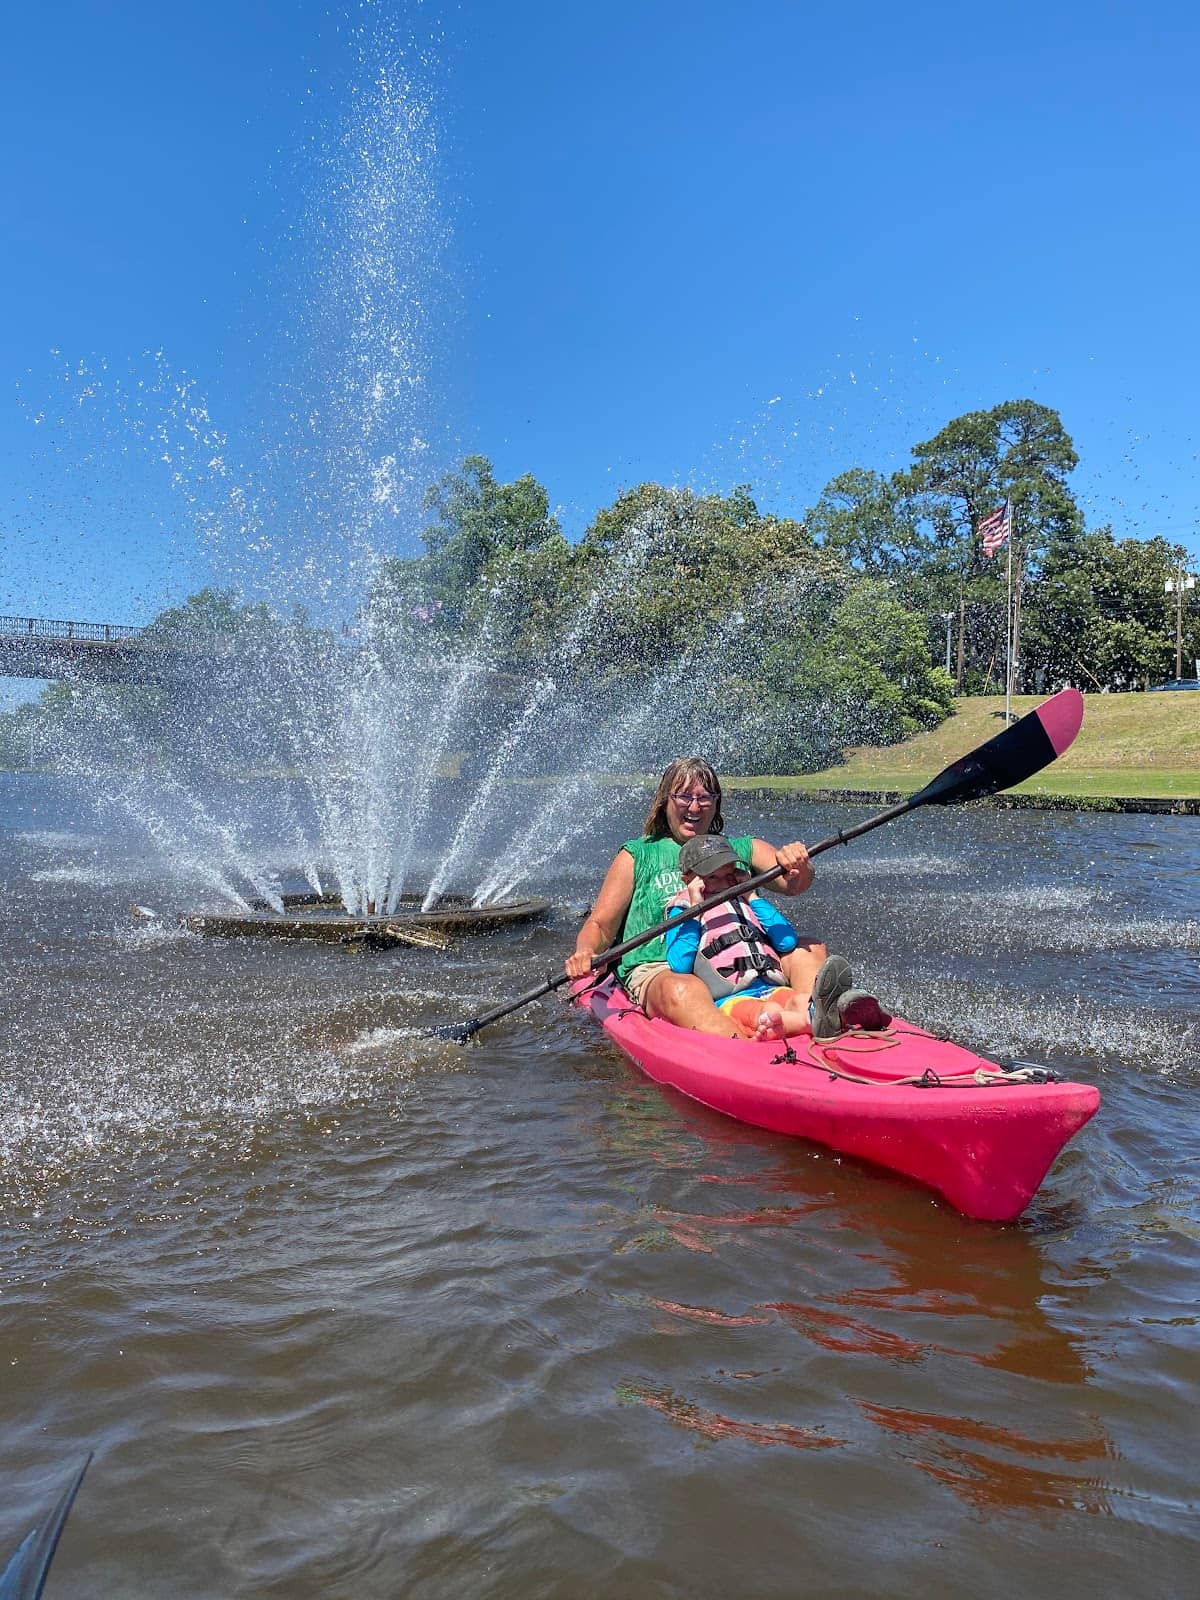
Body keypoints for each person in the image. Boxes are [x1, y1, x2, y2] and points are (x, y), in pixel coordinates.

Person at [564, 756, 886, 1041]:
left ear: (716, 803)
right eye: (684, 796)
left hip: (743, 961)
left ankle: (819, 1017)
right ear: (665, 801)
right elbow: (602, 927)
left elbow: (794, 883)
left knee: (810, 948)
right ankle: (745, 1050)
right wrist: (584, 952)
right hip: (663, 967)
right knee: (683, 988)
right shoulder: (638, 854)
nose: (694, 807)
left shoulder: (738, 849)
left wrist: (798, 863)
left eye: (704, 798)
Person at [665, 834, 890, 1041]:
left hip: (771, 987)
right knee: (767, 1013)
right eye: (713, 876)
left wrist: (751, 895)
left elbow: (786, 941)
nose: (725, 883)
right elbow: (681, 964)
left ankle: (837, 1012)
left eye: (730, 873)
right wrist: (694, 907)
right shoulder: (683, 908)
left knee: (799, 1000)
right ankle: (818, 1020)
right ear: (689, 879)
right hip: (731, 998)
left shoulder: (745, 899)